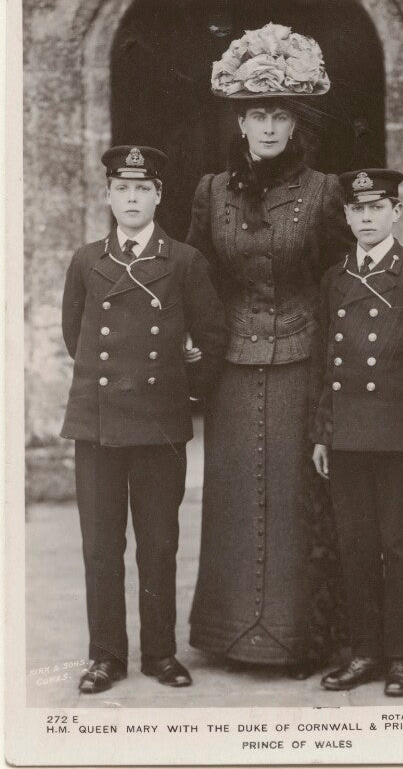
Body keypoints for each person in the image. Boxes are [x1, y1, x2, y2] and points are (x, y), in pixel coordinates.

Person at [186, 24, 403, 678]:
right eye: (256, 114)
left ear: (295, 122)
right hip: (233, 376)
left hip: (305, 363)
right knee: (235, 498)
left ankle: (311, 635)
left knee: (305, 503)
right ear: (240, 121)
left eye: (279, 114)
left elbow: (352, 273)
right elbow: (194, 278)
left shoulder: (327, 192)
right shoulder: (210, 191)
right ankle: (228, 633)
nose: (267, 127)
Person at [60, 145, 227, 693]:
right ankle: (105, 657)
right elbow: (73, 335)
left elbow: (212, 340)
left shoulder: (183, 261)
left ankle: (160, 654)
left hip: (159, 424)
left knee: (158, 543)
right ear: (109, 196)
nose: (131, 198)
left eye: (142, 189)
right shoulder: (87, 261)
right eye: (122, 189)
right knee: (100, 546)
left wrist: (182, 395)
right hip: (98, 423)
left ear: (158, 196)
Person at [311, 168, 403, 696]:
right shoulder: (335, 279)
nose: (368, 217)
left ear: (397, 212)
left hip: (400, 441)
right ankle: (365, 653)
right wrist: (323, 433)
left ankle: (402, 657)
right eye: (358, 209)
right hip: (348, 438)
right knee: (355, 547)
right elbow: (326, 364)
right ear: (347, 216)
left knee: (399, 548)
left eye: (378, 208)